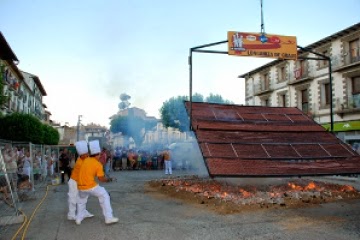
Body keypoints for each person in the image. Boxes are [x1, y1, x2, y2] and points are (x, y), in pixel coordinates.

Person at [76, 140, 118, 225]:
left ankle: (79, 218)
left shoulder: (85, 159)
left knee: (82, 201)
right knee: (104, 195)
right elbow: (101, 179)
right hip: (90, 186)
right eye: (100, 154)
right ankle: (108, 218)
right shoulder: (98, 164)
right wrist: (109, 180)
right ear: (98, 154)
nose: (100, 156)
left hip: (80, 186)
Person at [67, 140, 94, 221]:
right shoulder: (81, 161)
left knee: (83, 197)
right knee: (73, 198)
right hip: (74, 181)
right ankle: (71, 215)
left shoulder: (84, 159)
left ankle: (83, 212)